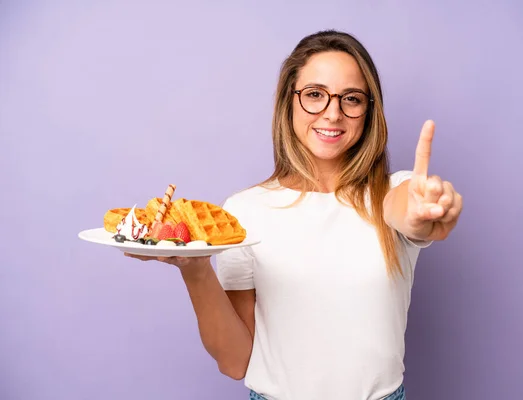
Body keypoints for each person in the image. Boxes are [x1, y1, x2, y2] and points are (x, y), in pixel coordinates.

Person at [126, 30, 462, 400]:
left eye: (351, 99)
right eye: (315, 94)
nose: (333, 113)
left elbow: (407, 212)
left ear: (369, 109)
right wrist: (195, 269)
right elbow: (235, 363)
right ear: (290, 100)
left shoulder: (393, 191)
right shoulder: (245, 210)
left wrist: (422, 213)